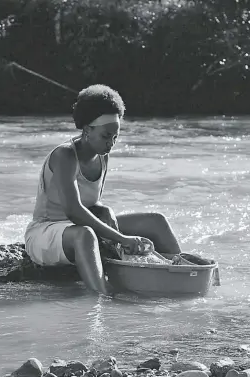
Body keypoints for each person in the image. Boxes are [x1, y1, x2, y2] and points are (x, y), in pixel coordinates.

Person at [24, 84, 182, 295]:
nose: (111, 143)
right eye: (106, 136)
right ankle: (101, 299)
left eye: (115, 137)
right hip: (46, 233)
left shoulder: (102, 156)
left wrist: (106, 213)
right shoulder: (65, 156)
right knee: (86, 234)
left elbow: (92, 205)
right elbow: (73, 211)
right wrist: (122, 239)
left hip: (77, 229)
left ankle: (180, 273)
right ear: (87, 129)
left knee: (156, 221)